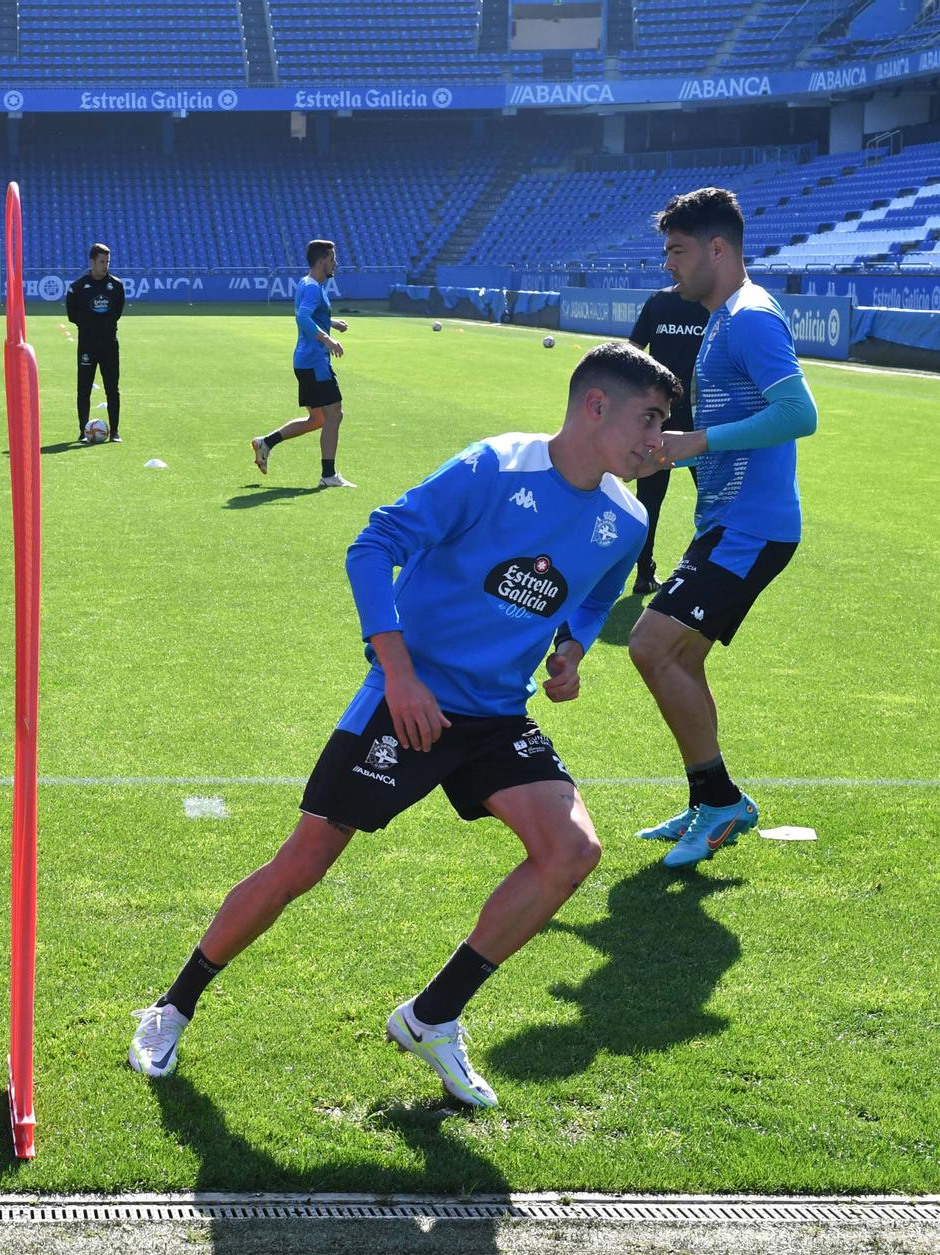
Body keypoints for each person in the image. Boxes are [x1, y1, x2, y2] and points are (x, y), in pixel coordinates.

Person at [130, 341, 675, 1109]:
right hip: (408, 697)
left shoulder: (623, 517)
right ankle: (171, 1005)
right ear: (595, 406)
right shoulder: (493, 467)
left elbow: (593, 594)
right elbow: (373, 545)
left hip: (495, 714)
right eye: (649, 419)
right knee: (303, 864)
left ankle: (433, 1015)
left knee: (572, 849)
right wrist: (401, 674)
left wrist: (573, 651)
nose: (659, 440)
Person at [630, 187, 818, 869]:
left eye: (677, 251)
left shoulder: (751, 318)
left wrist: (698, 442)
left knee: (652, 646)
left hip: (753, 527)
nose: (669, 266)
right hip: (726, 522)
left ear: (718, 248)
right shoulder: (721, 317)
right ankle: (708, 797)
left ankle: (720, 801)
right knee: (678, 656)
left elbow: (800, 413)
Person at [625, 283, 709, 593]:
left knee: (648, 501)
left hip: (659, 417)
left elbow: (631, 353)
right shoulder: (709, 301)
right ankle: (700, 572)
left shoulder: (658, 302)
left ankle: (644, 574)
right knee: (714, 500)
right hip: (701, 420)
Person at [251, 239, 352, 488]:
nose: (335, 264)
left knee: (318, 419)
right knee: (334, 414)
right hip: (315, 362)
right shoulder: (313, 288)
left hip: (305, 361)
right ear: (321, 262)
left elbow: (312, 315)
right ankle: (328, 476)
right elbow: (303, 317)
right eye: (332, 259)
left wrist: (332, 323)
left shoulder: (308, 284)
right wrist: (328, 339)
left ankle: (266, 442)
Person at [66, 243, 124, 442]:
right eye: (101, 262)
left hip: (109, 344)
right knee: (83, 388)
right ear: (92, 261)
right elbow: (71, 315)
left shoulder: (116, 286)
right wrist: (90, 325)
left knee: (112, 388)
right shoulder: (78, 288)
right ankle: (83, 431)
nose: (105, 266)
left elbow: (117, 312)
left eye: (107, 262)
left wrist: (103, 325)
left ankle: (114, 431)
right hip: (87, 345)